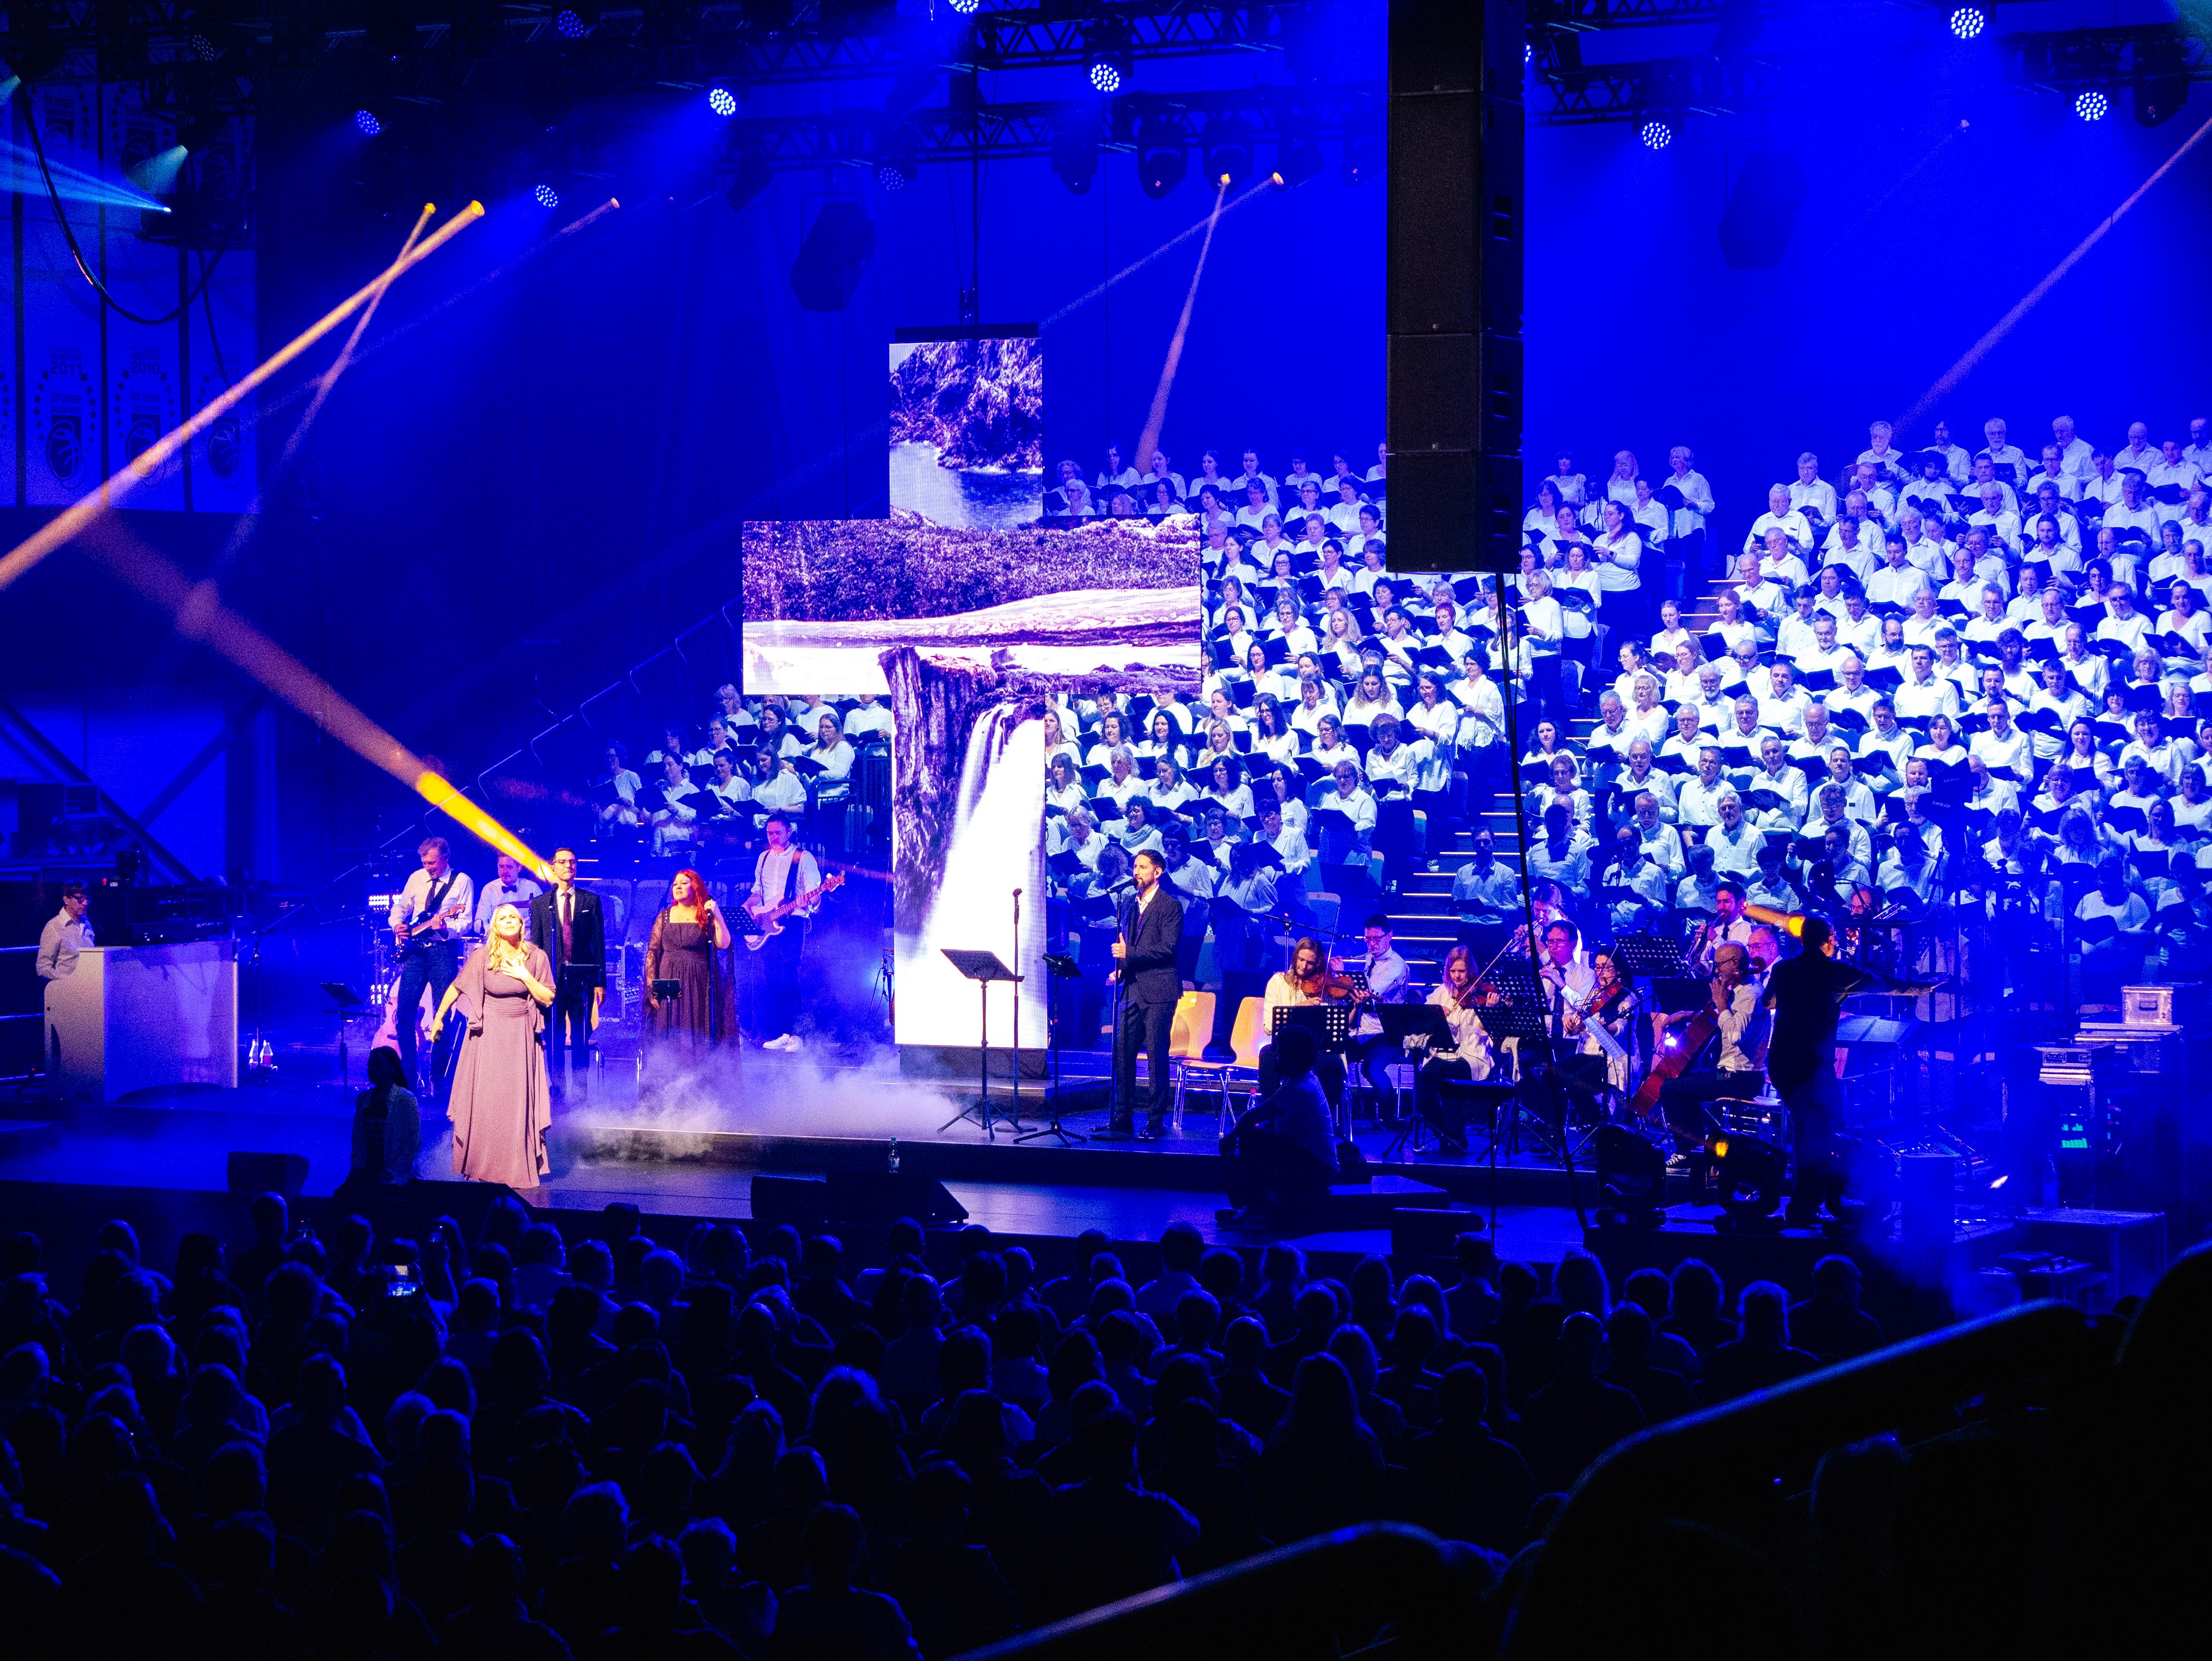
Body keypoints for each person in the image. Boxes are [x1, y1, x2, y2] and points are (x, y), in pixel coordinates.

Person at [429, 902, 555, 1188]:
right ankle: (482, 1165)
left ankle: (516, 1167)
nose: (509, 921)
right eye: (503, 918)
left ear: (521, 925)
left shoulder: (536, 957)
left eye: (513, 917)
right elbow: (456, 987)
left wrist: (524, 976)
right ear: (494, 927)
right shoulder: (481, 957)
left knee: (515, 1102)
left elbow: (548, 998)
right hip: (486, 1036)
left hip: (520, 1036)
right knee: (487, 1100)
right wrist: (439, 1017)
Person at [1761, 916, 1865, 1226]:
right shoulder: (1835, 971)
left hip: (1783, 1062)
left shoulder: (1783, 969)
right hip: (1812, 1065)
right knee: (1826, 1130)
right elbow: (1887, 984)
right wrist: (1925, 986)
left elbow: (1768, 1002)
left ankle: (1815, 1201)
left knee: (1812, 1128)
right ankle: (1814, 1203)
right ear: (1829, 940)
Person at [1219, 1022, 1338, 1221]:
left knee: (1248, 1137)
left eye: (1280, 1052)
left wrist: (1231, 1139)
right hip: (1317, 1165)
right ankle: (1255, 1208)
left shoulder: (1300, 1088)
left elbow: (1251, 1117)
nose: (1275, 1056)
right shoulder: (1303, 1080)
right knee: (1254, 1139)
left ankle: (1255, 1212)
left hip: (1317, 1170)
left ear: (1293, 1057)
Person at [388, 837, 476, 1098]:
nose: (428, 868)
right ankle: (408, 1079)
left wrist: (447, 929)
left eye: (433, 863)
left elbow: (466, 921)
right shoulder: (416, 878)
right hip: (414, 953)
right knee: (404, 1015)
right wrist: (397, 924)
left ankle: (437, 1078)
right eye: (425, 863)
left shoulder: (462, 881)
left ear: (446, 858)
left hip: (442, 952)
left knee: (442, 1015)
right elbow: (401, 907)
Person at [1108, 848, 1184, 1141]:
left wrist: (1129, 954)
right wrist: (1121, 968)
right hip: (1132, 987)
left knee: (1156, 1055)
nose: (1136, 872)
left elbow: (1167, 949)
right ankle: (1123, 1117)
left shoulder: (1170, 906)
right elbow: (1127, 943)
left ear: (1157, 872)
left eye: (1142, 867)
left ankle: (1155, 1120)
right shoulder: (1129, 903)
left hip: (1160, 990)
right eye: (1135, 867)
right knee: (1122, 1051)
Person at [528, 847, 606, 1104]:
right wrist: (536, 982)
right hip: (550, 982)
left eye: (572, 862)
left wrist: (600, 982)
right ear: (553, 867)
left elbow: (599, 944)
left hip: (582, 981)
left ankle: (581, 1092)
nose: (568, 866)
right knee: (554, 1036)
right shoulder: (542, 904)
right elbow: (537, 946)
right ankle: (558, 1091)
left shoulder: (590, 901)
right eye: (562, 862)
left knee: (582, 1036)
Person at [648, 868, 739, 1070]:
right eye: (675, 884)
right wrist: (651, 986)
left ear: (695, 886)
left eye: (684, 883)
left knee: (696, 1029)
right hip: (668, 979)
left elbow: (724, 944)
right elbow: (653, 952)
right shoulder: (664, 917)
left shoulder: (705, 915)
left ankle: (697, 1081)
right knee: (668, 1027)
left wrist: (717, 915)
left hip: (698, 981)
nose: (678, 887)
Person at [746, 813, 820, 1052]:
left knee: (790, 977)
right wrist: (749, 906)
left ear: (790, 832)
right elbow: (759, 892)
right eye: (770, 833)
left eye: (778, 833)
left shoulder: (803, 858)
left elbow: (814, 895)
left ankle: (798, 1034)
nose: (774, 837)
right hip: (767, 924)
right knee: (771, 979)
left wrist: (812, 899)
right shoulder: (763, 858)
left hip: (793, 922)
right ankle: (782, 1032)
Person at [343, 1044, 421, 1190]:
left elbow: (413, 1141)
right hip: (367, 1170)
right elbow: (357, 1137)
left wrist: (393, 1171)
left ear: (392, 1069)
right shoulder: (363, 1099)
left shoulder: (406, 1099)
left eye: (377, 1065)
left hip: (397, 1178)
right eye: (370, 1065)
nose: (371, 1069)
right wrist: (356, 1167)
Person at [473, 852, 544, 941]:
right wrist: (500, 933)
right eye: (501, 867)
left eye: (509, 867)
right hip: (498, 942)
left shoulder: (532, 888)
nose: (505, 871)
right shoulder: (489, 889)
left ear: (519, 868)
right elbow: (479, 924)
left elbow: (544, 920)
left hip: (526, 941)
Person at [35, 881, 92, 980]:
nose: (85, 903)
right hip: (66, 987)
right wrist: (69, 981)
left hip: (88, 984)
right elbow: (43, 967)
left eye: (87, 899)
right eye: (80, 899)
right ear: (66, 900)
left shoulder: (86, 923)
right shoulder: (54, 926)